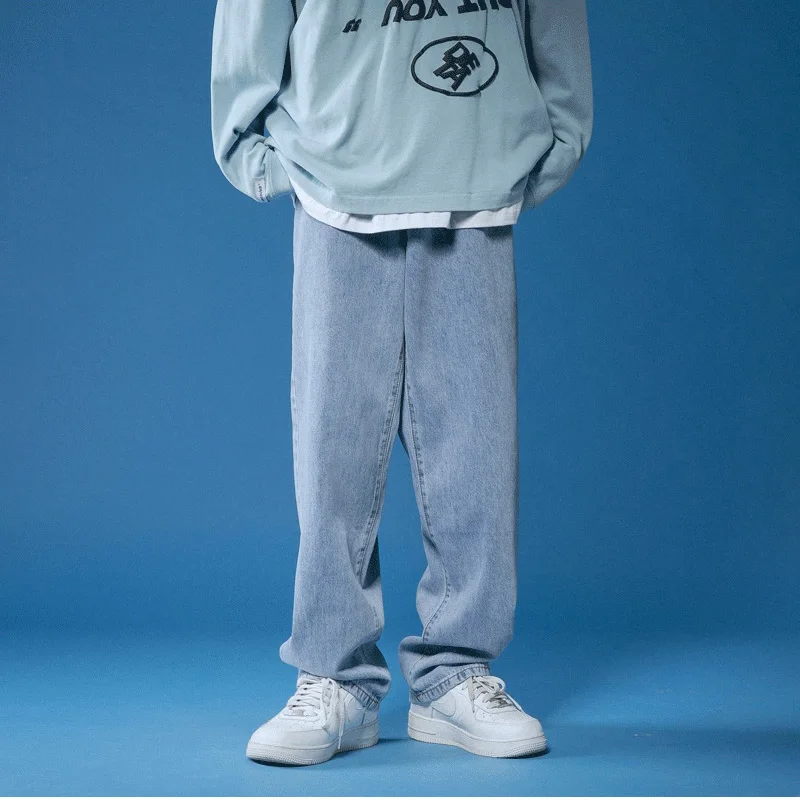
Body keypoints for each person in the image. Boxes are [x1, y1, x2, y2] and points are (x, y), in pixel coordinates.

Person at [210, 0, 593, 765]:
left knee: (476, 444)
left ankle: (456, 671)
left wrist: (551, 142)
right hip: (338, 187)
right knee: (335, 446)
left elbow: (555, 25)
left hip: (475, 176)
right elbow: (250, 28)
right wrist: (262, 156)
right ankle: (335, 677)